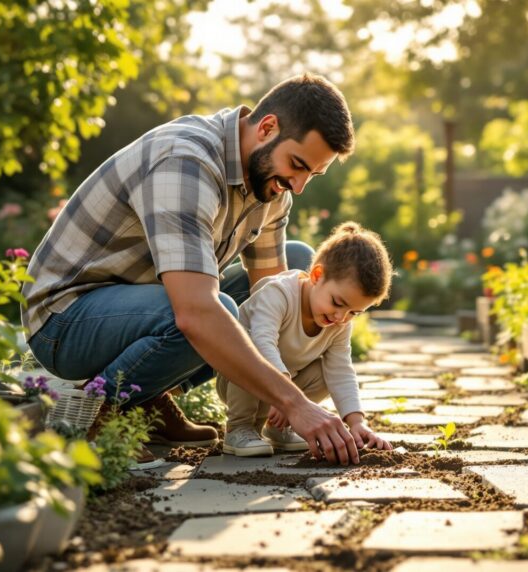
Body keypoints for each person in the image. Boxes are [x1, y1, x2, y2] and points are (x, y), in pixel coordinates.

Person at [22, 73, 364, 465]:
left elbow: (274, 298)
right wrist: (296, 403)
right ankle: (105, 414)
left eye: (312, 175)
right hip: (66, 320)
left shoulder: (272, 186)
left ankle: (149, 400)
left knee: (299, 273)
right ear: (267, 128)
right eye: (297, 165)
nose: (299, 186)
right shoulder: (185, 161)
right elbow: (195, 312)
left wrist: (285, 399)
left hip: (147, 306)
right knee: (210, 311)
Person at [220, 222, 393, 457]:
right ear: (317, 275)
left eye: (354, 312)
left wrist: (356, 422)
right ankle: (239, 428)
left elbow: (341, 370)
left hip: (285, 390)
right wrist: (286, 398)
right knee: (247, 349)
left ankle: (279, 427)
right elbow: (262, 344)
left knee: (327, 372)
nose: (341, 317)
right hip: (243, 380)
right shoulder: (278, 294)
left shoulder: (339, 323)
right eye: (338, 303)